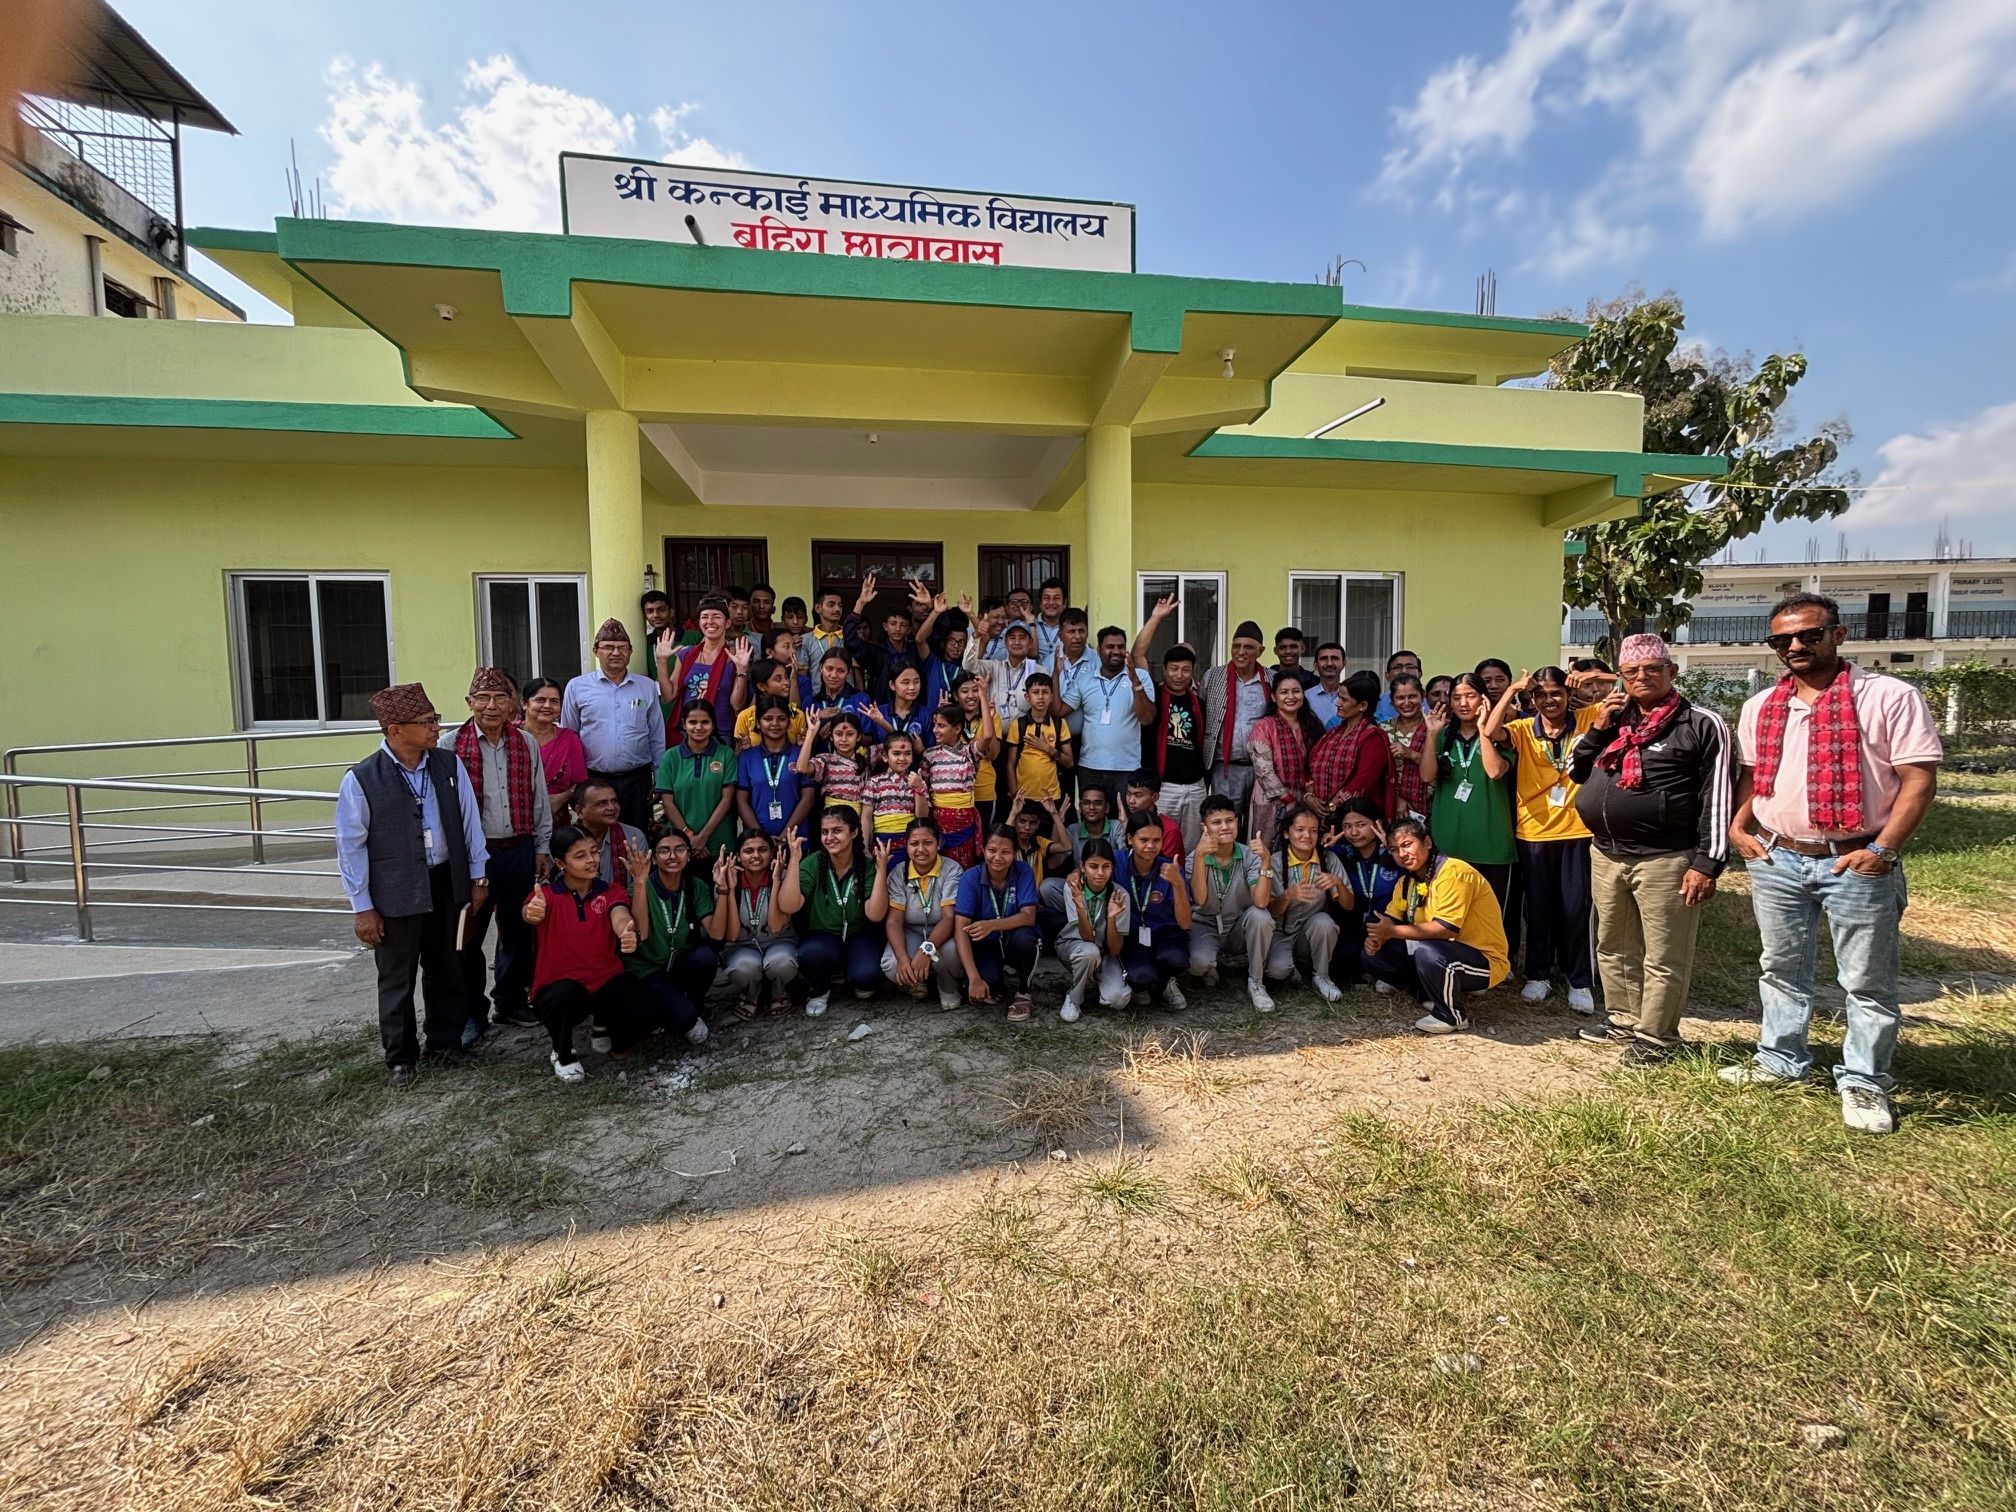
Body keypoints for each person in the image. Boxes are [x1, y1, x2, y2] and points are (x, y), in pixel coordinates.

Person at [1722, 592, 1943, 1134]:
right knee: (1780, 966)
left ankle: (1865, 1080)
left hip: (1855, 859)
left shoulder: (1887, 696)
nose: (1795, 646)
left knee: (1866, 979)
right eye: (1782, 640)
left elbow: (1919, 779)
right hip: (1777, 857)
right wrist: (1738, 825)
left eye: (1808, 635)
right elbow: (1756, 776)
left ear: (1838, 635)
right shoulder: (1762, 706)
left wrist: (1883, 850)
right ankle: (1781, 1058)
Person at [1568, 633, 1731, 1065]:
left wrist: (1707, 862)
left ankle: (1658, 1036)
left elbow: (1718, 797)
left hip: (1666, 856)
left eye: (1652, 668)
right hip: (1607, 852)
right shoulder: (1617, 720)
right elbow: (1576, 770)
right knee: (1611, 943)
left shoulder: (1700, 724)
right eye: (1632, 671)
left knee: (1664, 950)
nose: (1642, 677)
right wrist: (1600, 727)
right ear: (1621, 676)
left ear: (1671, 672)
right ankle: (1623, 1018)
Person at [336, 683, 488, 1087]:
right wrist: (362, 907)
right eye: (427, 722)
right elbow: (350, 848)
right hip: (395, 892)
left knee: (447, 967)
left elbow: (469, 825)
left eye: (435, 719)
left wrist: (477, 877)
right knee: (397, 977)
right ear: (395, 730)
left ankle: (445, 1042)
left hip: (445, 882)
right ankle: (400, 1058)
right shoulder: (362, 779)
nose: (437, 727)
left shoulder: (447, 765)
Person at [1483, 667, 1600, 1012]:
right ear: (1532, 700)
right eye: (1542, 695)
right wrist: (1515, 688)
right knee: (1538, 908)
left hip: (1577, 830)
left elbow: (1620, 693)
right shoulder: (1522, 729)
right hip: (1533, 832)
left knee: (1576, 908)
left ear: (1567, 695)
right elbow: (1489, 730)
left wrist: (1592, 676)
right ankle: (1538, 974)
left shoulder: (1585, 719)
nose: (1550, 700)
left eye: (1557, 693)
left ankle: (1579, 979)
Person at [454, 667, 552, 1041]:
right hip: (474, 854)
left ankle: (510, 1001)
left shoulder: (525, 743)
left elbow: (538, 797)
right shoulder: (451, 745)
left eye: (500, 698)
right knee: (470, 935)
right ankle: (471, 1012)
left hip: (519, 848)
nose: (491, 706)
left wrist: (542, 845)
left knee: (517, 930)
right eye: (482, 698)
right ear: (469, 703)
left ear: (514, 705)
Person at [1361, 817, 1510, 1034]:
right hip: (1439, 952)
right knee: (1373, 956)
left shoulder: (1455, 872)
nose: (1402, 854)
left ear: (1427, 843)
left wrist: (1391, 931)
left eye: (1407, 845)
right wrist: (1377, 938)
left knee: (1429, 951)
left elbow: (1446, 929)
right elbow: (1391, 919)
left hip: (1484, 959)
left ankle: (1452, 1015)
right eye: (1394, 849)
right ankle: (1427, 993)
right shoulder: (1406, 882)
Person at [523, 824, 643, 1082]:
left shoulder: (611, 891)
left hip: (603, 981)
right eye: (580, 856)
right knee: (563, 995)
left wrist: (626, 931)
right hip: (559, 988)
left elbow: (619, 914)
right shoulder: (545, 896)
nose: (591, 861)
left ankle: (605, 1025)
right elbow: (531, 912)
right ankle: (563, 1051)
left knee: (636, 995)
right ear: (560, 863)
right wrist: (531, 912)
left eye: (594, 852)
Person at [1419, 672, 1516, 933]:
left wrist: (1485, 731)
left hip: (1490, 842)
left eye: (1470, 696)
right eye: (1457, 697)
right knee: (1448, 911)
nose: (1463, 703)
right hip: (1449, 840)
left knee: (1492, 916)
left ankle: (1496, 965)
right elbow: (1427, 776)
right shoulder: (1442, 736)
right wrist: (1430, 736)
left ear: (1483, 700)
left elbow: (1495, 771)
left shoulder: (1503, 734)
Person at [779, 806, 892, 1016]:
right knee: (812, 954)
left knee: (867, 976)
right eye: (824, 832)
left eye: (837, 831)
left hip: (858, 934)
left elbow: (875, 914)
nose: (830, 837)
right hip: (822, 935)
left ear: (854, 833)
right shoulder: (812, 863)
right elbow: (788, 906)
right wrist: (794, 860)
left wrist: (881, 870)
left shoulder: (865, 865)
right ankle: (820, 988)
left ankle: (848, 970)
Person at [560, 619, 667, 833]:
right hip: (594, 778)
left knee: (636, 836)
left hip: (637, 779)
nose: (615, 653)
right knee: (595, 835)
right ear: (596, 651)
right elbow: (569, 737)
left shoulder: (645, 686)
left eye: (622, 648)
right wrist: (576, 783)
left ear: (630, 651)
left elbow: (656, 735)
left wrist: (660, 777)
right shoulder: (577, 687)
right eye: (608, 647)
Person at [624, 829, 720, 1047]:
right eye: (664, 851)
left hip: (677, 963)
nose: (672, 856)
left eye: (679, 849)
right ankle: (675, 1011)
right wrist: (639, 883)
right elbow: (641, 935)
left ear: (688, 854)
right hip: (648, 970)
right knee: (684, 1021)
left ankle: (693, 1004)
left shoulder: (696, 886)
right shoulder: (640, 887)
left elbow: (715, 932)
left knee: (706, 956)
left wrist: (724, 890)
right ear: (654, 858)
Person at [1184, 793, 1276, 1011]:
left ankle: (1256, 982)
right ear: (1204, 827)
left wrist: (1266, 860)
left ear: (1237, 822)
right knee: (1197, 964)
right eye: (1216, 822)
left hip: (1237, 925)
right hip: (1206, 924)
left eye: (1230, 820)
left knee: (1260, 916)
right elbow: (1199, 899)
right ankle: (1210, 965)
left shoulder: (1249, 855)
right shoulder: (1193, 857)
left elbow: (1261, 901)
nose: (1225, 827)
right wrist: (1199, 857)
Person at [1066, 620, 1157, 812]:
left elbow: (1147, 718)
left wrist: (1135, 682)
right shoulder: (1085, 678)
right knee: (1093, 822)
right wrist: (1056, 676)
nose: (1116, 651)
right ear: (1099, 650)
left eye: (1121, 647)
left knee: (1125, 823)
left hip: (1127, 768)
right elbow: (1060, 710)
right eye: (1110, 647)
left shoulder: (1140, 676)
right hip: (1089, 766)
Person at [954, 825, 1041, 1021]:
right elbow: (960, 929)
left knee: (1025, 939)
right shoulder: (971, 877)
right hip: (986, 944)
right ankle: (993, 981)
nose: (998, 858)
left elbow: (1029, 916)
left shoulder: (1024, 871)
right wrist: (975, 978)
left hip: (1013, 937)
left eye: (1006, 852)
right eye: (992, 850)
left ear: (1015, 853)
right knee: (985, 988)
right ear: (983, 849)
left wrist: (992, 924)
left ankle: (1024, 990)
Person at [1264, 803, 1346, 1002]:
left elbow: (1348, 905)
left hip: (1308, 933)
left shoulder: (1329, 859)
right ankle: (1294, 969)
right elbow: (1271, 911)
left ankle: (1322, 976)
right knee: (1277, 971)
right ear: (1286, 833)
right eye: (1299, 830)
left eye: (1313, 831)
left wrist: (1338, 883)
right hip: (1281, 932)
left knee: (1324, 922)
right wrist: (1288, 896)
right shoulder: (1275, 861)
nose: (1306, 836)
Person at [1135, 639, 1210, 853]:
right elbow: (1137, 655)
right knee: (1160, 842)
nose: (1179, 675)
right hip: (1164, 787)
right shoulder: (1153, 697)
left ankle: (1186, 886)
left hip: (1195, 787)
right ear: (1165, 669)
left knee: (1192, 847)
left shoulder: (1199, 704)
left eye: (1186, 670)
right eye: (1174, 669)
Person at [882, 816, 965, 1009]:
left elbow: (949, 917)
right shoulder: (898, 872)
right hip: (911, 931)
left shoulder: (952, 870)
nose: (920, 849)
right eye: (914, 843)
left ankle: (947, 987)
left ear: (939, 843)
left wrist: (926, 950)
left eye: (928, 843)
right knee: (892, 964)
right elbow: (894, 922)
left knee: (953, 951)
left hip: (942, 931)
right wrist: (903, 958)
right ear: (906, 845)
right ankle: (915, 982)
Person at [1115, 812, 1193, 1009]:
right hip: (1132, 935)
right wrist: (1076, 873)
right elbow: (1089, 867)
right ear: (1130, 839)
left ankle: (1167, 983)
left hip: (1165, 933)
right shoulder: (1116, 862)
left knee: (1176, 959)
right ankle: (1141, 986)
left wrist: (1178, 884)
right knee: (1140, 976)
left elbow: (1185, 923)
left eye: (1156, 840)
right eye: (1143, 840)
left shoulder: (1170, 868)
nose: (1150, 846)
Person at [719, 829, 798, 1019]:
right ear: (738, 855)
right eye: (748, 851)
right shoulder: (726, 880)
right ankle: (752, 993)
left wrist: (777, 880)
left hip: (779, 941)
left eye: (762, 850)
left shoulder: (785, 875)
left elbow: (776, 925)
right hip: (742, 945)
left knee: (781, 962)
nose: (756, 856)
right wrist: (729, 889)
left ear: (772, 853)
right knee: (743, 968)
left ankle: (778, 992)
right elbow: (731, 934)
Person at [1201, 618, 1273, 819]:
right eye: (1236, 646)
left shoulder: (1271, 679)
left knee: (1256, 821)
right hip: (1224, 767)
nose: (1241, 652)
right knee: (1225, 818)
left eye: (1248, 647)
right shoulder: (1213, 677)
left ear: (1260, 651)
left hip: (1261, 768)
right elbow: (1202, 715)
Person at [1327, 799, 1403, 989]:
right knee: (1343, 960)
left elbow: (1415, 874)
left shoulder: (1393, 855)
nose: (1354, 833)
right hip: (1350, 925)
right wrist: (1324, 851)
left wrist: (1394, 849)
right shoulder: (1339, 853)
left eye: (1361, 825)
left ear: (1377, 824)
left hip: (1388, 925)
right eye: (1347, 826)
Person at [654, 594, 751, 741]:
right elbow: (668, 697)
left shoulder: (735, 658)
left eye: (717, 617)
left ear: (728, 623)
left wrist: (742, 670)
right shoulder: (686, 654)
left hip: (720, 734)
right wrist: (661, 661)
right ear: (699, 622)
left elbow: (737, 705)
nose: (710, 622)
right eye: (705, 617)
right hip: (687, 732)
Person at [1056, 838, 1133, 1022]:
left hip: (1105, 952)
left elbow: (1115, 949)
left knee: (1119, 999)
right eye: (1093, 866)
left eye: (1106, 866)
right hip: (1075, 945)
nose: (1100, 873)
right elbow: (1086, 937)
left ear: (1112, 868)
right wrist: (1081, 907)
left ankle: (1094, 978)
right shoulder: (1073, 888)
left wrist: (1112, 917)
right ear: (1082, 867)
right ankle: (1075, 997)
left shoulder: (1120, 895)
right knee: (1090, 953)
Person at [1247, 669, 1322, 852]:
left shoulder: (1311, 726)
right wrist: (1287, 800)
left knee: (1300, 849)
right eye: (1284, 692)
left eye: (1296, 691)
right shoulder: (1264, 726)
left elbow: (1316, 765)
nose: (1291, 696)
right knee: (1266, 850)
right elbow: (1263, 770)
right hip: (1269, 799)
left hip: (1303, 798)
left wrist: (1307, 795)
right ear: (1274, 696)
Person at [653, 701, 737, 860]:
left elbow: (727, 799)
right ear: (684, 724)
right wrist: (690, 837)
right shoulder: (670, 757)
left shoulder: (726, 755)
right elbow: (667, 802)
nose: (699, 727)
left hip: (719, 843)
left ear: (713, 725)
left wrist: (703, 837)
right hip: (680, 844)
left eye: (705, 722)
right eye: (692, 722)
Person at [1307, 671, 1393, 823]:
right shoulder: (1333, 733)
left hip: (1356, 818)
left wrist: (1332, 806)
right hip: (1321, 815)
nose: (1337, 703)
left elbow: (1363, 780)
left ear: (1362, 705)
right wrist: (1309, 796)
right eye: (1339, 697)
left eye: (1344, 699)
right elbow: (1311, 765)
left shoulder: (1373, 737)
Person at [737, 697, 814, 842]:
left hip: (795, 840)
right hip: (757, 843)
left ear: (789, 723)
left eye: (781, 718)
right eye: (768, 719)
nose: (775, 724)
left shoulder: (801, 754)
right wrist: (761, 837)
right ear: (758, 723)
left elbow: (808, 799)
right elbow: (741, 801)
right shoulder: (746, 757)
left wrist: (786, 835)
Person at [923, 702, 992, 865]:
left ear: (956, 729)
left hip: (964, 822)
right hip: (939, 822)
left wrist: (982, 696)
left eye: (941, 726)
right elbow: (924, 788)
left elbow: (988, 737)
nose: (935, 730)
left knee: (964, 866)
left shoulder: (969, 753)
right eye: (935, 725)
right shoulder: (930, 755)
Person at [845, 573, 923, 701]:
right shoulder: (875, 651)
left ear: (909, 630)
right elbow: (850, 640)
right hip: (881, 708)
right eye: (893, 624)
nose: (897, 629)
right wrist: (861, 603)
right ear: (885, 626)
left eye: (903, 625)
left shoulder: (915, 651)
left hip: (912, 708)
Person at [519, 676, 587, 823]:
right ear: (524, 703)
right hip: (514, 819)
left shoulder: (569, 739)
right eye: (540, 700)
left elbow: (580, 784)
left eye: (554, 701)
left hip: (557, 821)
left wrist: (560, 799)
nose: (547, 706)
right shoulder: (510, 736)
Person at [962, 609, 1042, 729]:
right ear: (1005, 642)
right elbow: (968, 666)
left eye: (1022, 638)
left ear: (1030, 643)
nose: (1017, 642)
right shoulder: (994, 667)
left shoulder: (1038, 671)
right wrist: (976, 635)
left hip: (1026, 741)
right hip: (995, 739)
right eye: (1012, 638)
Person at [863, 731, 931, 863]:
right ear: (885, 756)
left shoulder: (918, 781)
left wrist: (918, 789)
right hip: (881, 844)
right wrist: (864, 846)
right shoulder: (874, 782)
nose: (902, 758)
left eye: (907, 753)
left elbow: (922, 816)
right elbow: (866, 818)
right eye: (896, 753)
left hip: (909, 845)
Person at [1005, 672, 1072, 801]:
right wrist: (1014, 794)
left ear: (1052, 697)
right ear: (1027, 697)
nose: (1041, 697)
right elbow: (1010, 763)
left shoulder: (1059, 724)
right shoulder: (1018, 725)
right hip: (1023, 795)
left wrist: (1047, 748)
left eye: (1045, 692)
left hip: (1051, 796)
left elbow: (1069, 762)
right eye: (1035, 692)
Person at [572, 777, 648, 886]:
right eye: (601, 803)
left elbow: (640, 884)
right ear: (580, 811)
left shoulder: (633, 837)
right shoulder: (565, 841)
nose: (612, 807)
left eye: (614, 801)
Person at [797, 708, 868, 819]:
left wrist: (880, 721)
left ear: (858, 737)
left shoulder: (866, 756)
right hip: (832, 818)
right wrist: (811, 733)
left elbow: (897, 742)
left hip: (860, 818)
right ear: (831, 736)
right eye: (839, 734)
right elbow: (802, 768)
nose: (843, 739)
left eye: (850, 734)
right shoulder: (826, 760)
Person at [730, 658, 807, 750]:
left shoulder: (797, 715)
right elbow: (738, 756)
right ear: (762, 686)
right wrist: (745, 751)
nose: (786, 682)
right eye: (778, 679)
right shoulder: (745, 717)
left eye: (786, 677)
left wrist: (803, 745)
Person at [1384, 673, 1431, 822]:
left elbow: (1443, 768)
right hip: (1393, 805)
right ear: (1392, 701)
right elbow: (1378, 774)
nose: (1406, 702)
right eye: (1400, 698)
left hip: (1431, 805)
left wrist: (1411, 754)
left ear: (1422, 696)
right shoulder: (1384, 730)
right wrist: (1397, 799)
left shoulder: (1435, 728)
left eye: (1412, 696)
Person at [1120, 771, 1185, 866]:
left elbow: (1162, 866)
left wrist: (1126, 825)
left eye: (1138, 796)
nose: (1131, 801)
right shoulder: (1124, 820)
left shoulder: (1170, 829)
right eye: (1128, 794)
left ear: (1154, 797)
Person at [865, 663, 931, 752]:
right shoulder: (878, 713)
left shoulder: (926, 715)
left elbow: (931, 753)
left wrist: (921, 750)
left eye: (916, 682)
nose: (912, 687)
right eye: (905, 682)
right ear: (892, 685)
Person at [1064, 780, 1122, 859]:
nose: (1091, 807)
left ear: (1107, 808)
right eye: (1086, 803)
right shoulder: (1073, 830)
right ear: (1080, 807)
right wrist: (1056, 818)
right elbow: (1054, 862)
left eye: (1098, 803)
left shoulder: (1116, 827)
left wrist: (1125, 822)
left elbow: (1127, 857)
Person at [797, 589, 848, 678]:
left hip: (847, 692)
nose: (837, 609)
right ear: (818, 608)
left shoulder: (849, 637)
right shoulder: (805, 640)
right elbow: (802, 677)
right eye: (831, 605)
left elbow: (857, 675)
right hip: (816, 691)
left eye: (840, 606)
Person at [1305, 642, 1348, 728]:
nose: (1329, 663)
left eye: (1335, 658)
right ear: (1316, 665)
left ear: (1343, 664)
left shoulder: (1351, 698)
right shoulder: (1305, 697)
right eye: (1324, 658)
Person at [1375, 650, 1422, 722]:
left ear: (1420, 673)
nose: (1404, 671)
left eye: (1410, 667)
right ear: (1387, 675)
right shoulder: (1376, 704)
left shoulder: (1431, 705)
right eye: (1397, 667)